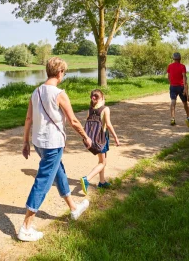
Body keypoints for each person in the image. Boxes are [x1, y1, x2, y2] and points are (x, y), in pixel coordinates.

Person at [18, 57, 93, 242]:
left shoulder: (35, 92)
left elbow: (28, 119)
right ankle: (26, 227)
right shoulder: (59, 93)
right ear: (59, 73)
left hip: (39, 142)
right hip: (53, 143)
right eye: (64, 73)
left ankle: (74, 209)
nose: (63, 76)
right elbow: (74, 120)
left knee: (59, 172)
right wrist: (85, 136)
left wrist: (25, 142)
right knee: (43, 181)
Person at [80, 89, 121, 194]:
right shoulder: (105, 109)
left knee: (102, 161)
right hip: (102, 139)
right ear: (101, 98)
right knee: (103, 162)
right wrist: (116, 137)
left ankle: (102, 182)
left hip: (93, 139)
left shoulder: (90, 109)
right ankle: (87, 179)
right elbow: (108, 124)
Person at [167, 52, 189, 127]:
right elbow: (184, 77)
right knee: (185, 103)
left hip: (173, 86)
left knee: (173, 102)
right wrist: (185, 87)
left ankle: (172, 119)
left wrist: (171, 83)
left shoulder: (170, 66)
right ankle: (188, 117)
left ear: (173, 58)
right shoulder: (182, 66)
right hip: (181, 86)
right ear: (180, 58)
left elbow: (169, 77)